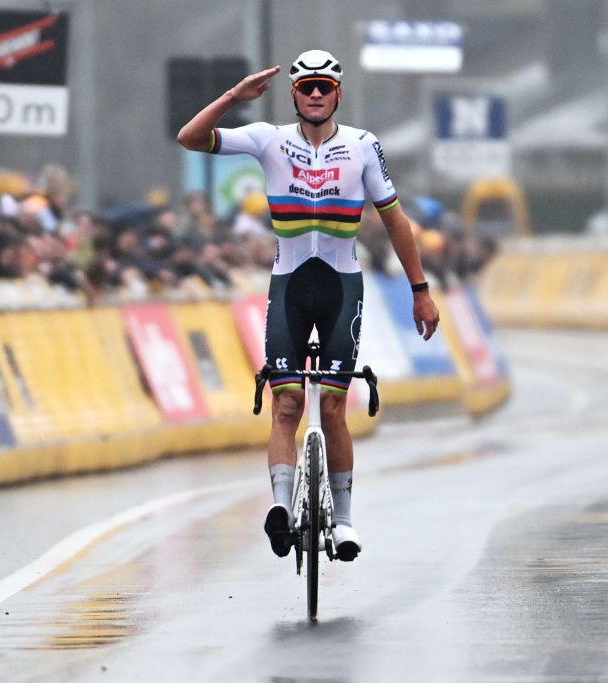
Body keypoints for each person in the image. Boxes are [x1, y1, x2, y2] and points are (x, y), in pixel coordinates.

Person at [178, 50, 440, 562]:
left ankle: (343, 522)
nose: (316, 94)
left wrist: (420, 290)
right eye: (306, 87)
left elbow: (394, 220)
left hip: (342, 287)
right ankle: (280, 508)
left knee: (336, 408)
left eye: (325, 86)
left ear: (338, 93)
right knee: (287, 403)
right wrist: (234, 97)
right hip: (289, 288)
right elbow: (190, 138)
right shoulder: (268, 138)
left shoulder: (362, 146)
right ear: (294, 94)